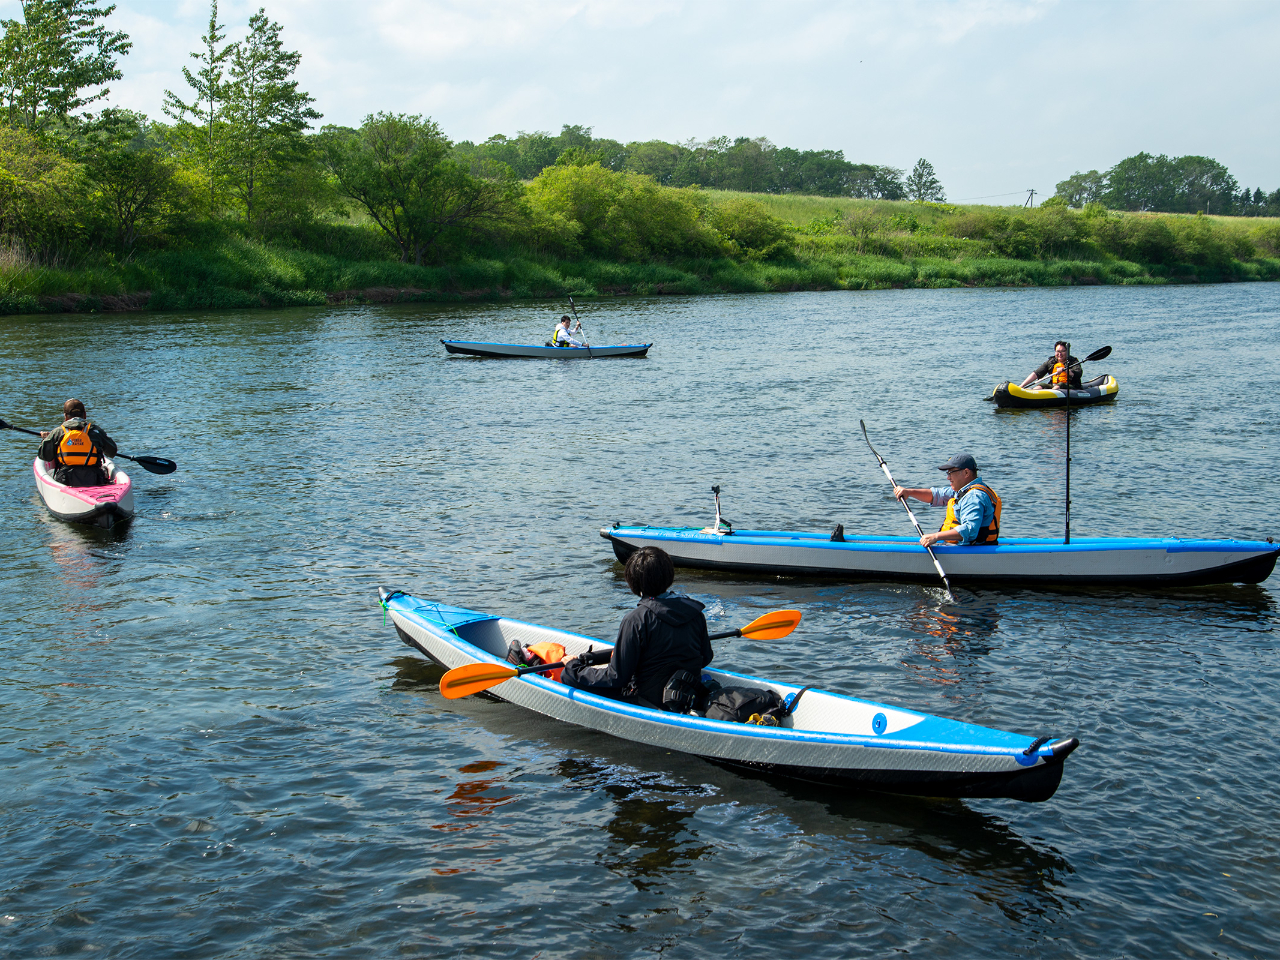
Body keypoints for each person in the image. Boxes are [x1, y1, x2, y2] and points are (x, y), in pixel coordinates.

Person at [561, 546, 713, 709]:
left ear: (633, 581)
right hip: (685, 694)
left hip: (647, 700)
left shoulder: (635, 620)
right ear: (669, 575)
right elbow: (705, 658)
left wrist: (574, 667)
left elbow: (616, 678)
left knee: (568, 677)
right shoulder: (695, 612)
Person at [893, 453, 1001, 547]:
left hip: (972, 552)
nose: (948, 478)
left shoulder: (974, 496)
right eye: (947, 473)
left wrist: (936, 536)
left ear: (966, 473)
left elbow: (970, 530)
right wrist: (908, 492)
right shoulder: (963, 491)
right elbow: (936, 495)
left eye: (951, 473)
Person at [38, 398, 118, 487]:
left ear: (65, 416)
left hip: (66, 480)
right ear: (85, 414)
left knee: (50, 472)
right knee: (104, 469)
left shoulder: (58, 432)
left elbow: (45, 456)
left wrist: (45, 439)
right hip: (94, 479)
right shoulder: (95, 431)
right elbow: (112, 452)